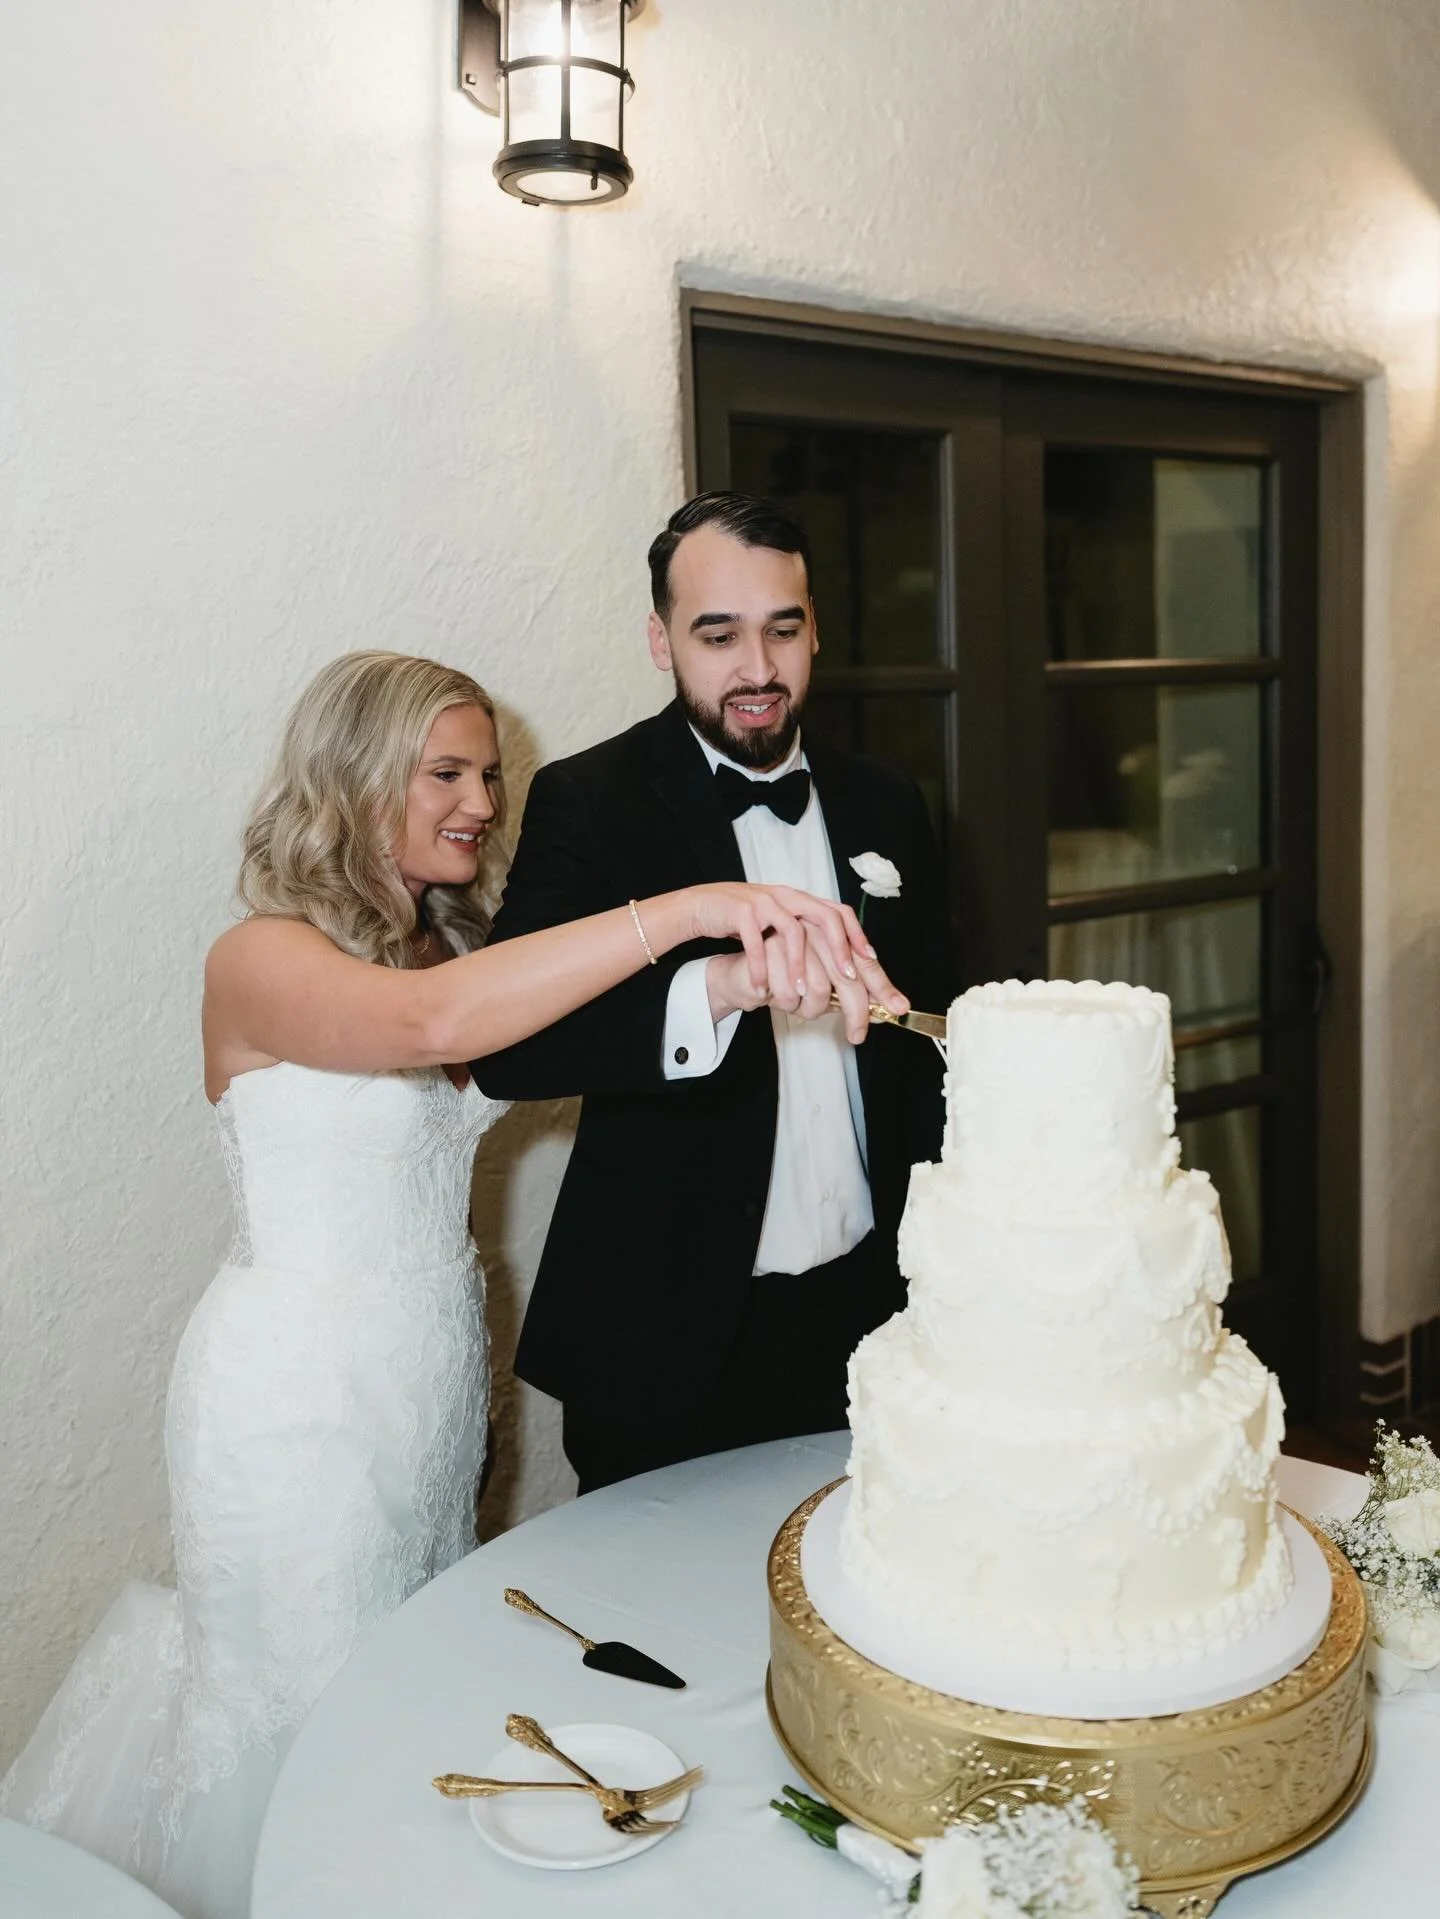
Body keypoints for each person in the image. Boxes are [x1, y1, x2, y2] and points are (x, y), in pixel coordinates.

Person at [0, 650, 894, 1919]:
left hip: (426, 1385)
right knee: (301, 1706)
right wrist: (699, 904)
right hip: (297, 1400)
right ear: (355, 776)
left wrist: (741, 980)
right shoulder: (258, 956)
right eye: (447, 771)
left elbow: (553, 1036)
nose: (481, 798)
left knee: (400, 1686)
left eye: (488, 771)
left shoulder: (447, 943)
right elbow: (436, 1032)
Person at [476, 494, 954, 1493]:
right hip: (666, 1331)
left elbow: (929, 1051)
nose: (759, 670)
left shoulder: (888, 800)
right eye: (718, 634)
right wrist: (715, 991)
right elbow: (511, 1051)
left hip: (873, 1315)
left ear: (816, 624)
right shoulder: (588, 800)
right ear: (661, 639)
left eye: (784, 628)